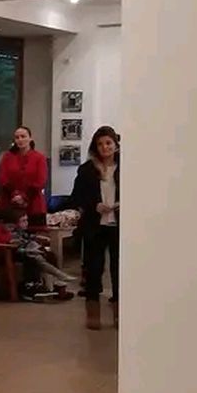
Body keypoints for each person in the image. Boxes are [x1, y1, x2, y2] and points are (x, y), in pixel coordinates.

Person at [71, 124, 120, 330]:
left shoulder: (127, 167)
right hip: (94, 225)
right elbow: (77, 196)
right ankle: (93, 314)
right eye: (100, 144)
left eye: (108, 143)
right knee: (93, 269)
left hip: (119, 225)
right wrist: (94, 205)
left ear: (116, 145)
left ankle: (119, 313)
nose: (105, 147)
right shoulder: (87, 169)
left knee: (119, 269)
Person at [0, 125, 48, 226]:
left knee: (36, 234)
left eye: (23, 136)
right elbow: (2, 178)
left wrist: (24, 197)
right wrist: (15, 195)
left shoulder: (39, 158)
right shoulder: (7, 157)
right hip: (10, 203)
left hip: (34, 204)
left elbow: (41, 181)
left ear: (30, 138)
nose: (20, 140)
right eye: (17, 137)